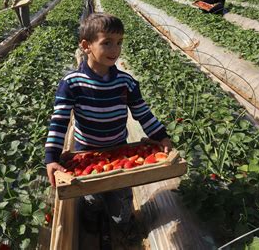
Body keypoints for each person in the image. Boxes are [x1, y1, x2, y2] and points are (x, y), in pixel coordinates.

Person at [45, 13, 171, 246]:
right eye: (107, 42)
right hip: (86, 153)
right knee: (91, 195)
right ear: (86, 46)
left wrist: (161, 136)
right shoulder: (72, 83)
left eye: (119, 42)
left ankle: (122, 223)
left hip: (119, 150)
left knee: (121, 193)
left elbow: (142, 112)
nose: (115, 49)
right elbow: (59, 121)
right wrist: (51, 158)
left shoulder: (125, 82)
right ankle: (91, 220)